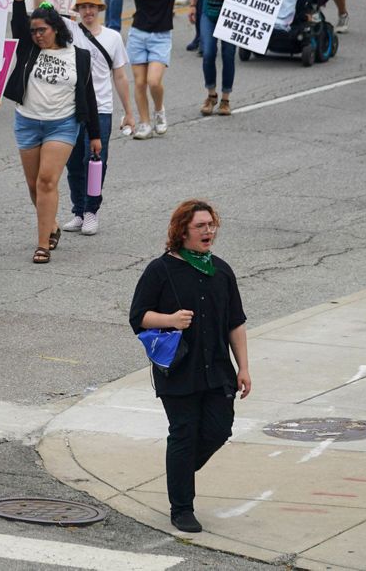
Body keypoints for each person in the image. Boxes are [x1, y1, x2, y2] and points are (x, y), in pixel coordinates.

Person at [129, 199, 250, 535]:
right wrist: (170, 319)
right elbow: (138, 317)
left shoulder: (221, 270)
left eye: (211, 224)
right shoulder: (161, 270)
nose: (208, 231)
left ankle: (178, 472)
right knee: (183, 433)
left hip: (217, 371)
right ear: (182, 232)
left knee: (218, 429)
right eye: (201, 226)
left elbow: (235, 323)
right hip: (179, 370)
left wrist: (243, 367)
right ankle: (181, 507)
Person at [4, 0, 100, 264]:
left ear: (56, 28)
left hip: (63, 124)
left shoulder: (79, 57)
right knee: (35, 187)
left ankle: (42, 244)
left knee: (47, 180)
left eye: (42, 30)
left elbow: (88, 95)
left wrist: (94, 135)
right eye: (33, 31)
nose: (37, 35)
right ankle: (53, 225)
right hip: (27, 122)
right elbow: (19, 26)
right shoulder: (29, 48)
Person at [106, 0, 193, 139]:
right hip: (138, 34)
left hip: (161, 36)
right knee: (139, 82)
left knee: (154, 82)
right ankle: (144, 123)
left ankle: (159, 111)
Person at [63, 0, 132, 235]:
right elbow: (42, 10)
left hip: (101, 109)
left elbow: (120, 76)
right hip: (72, 108)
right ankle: (78, 211)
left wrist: (129, 112)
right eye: (83, 7)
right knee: (73, 163)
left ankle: (92, 210)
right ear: (78, 11)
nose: (88, 11)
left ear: (100, 10)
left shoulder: (113, 37)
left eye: (92, 7)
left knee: (94, 161)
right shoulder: (70, 31)